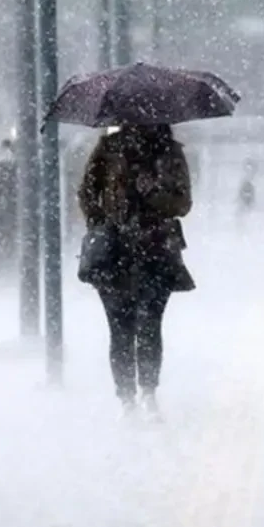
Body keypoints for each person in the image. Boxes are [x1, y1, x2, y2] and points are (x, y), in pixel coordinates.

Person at [77, 124, 195, 416]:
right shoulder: (108, 149)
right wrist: (105, 221)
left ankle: (147, 392)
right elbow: (87, 194)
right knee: (120, 328)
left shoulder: (170, 152)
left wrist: (153, 192)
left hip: (155, 250)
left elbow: (182, 203)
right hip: (114, 253)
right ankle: (127, 397)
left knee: (149, 324)